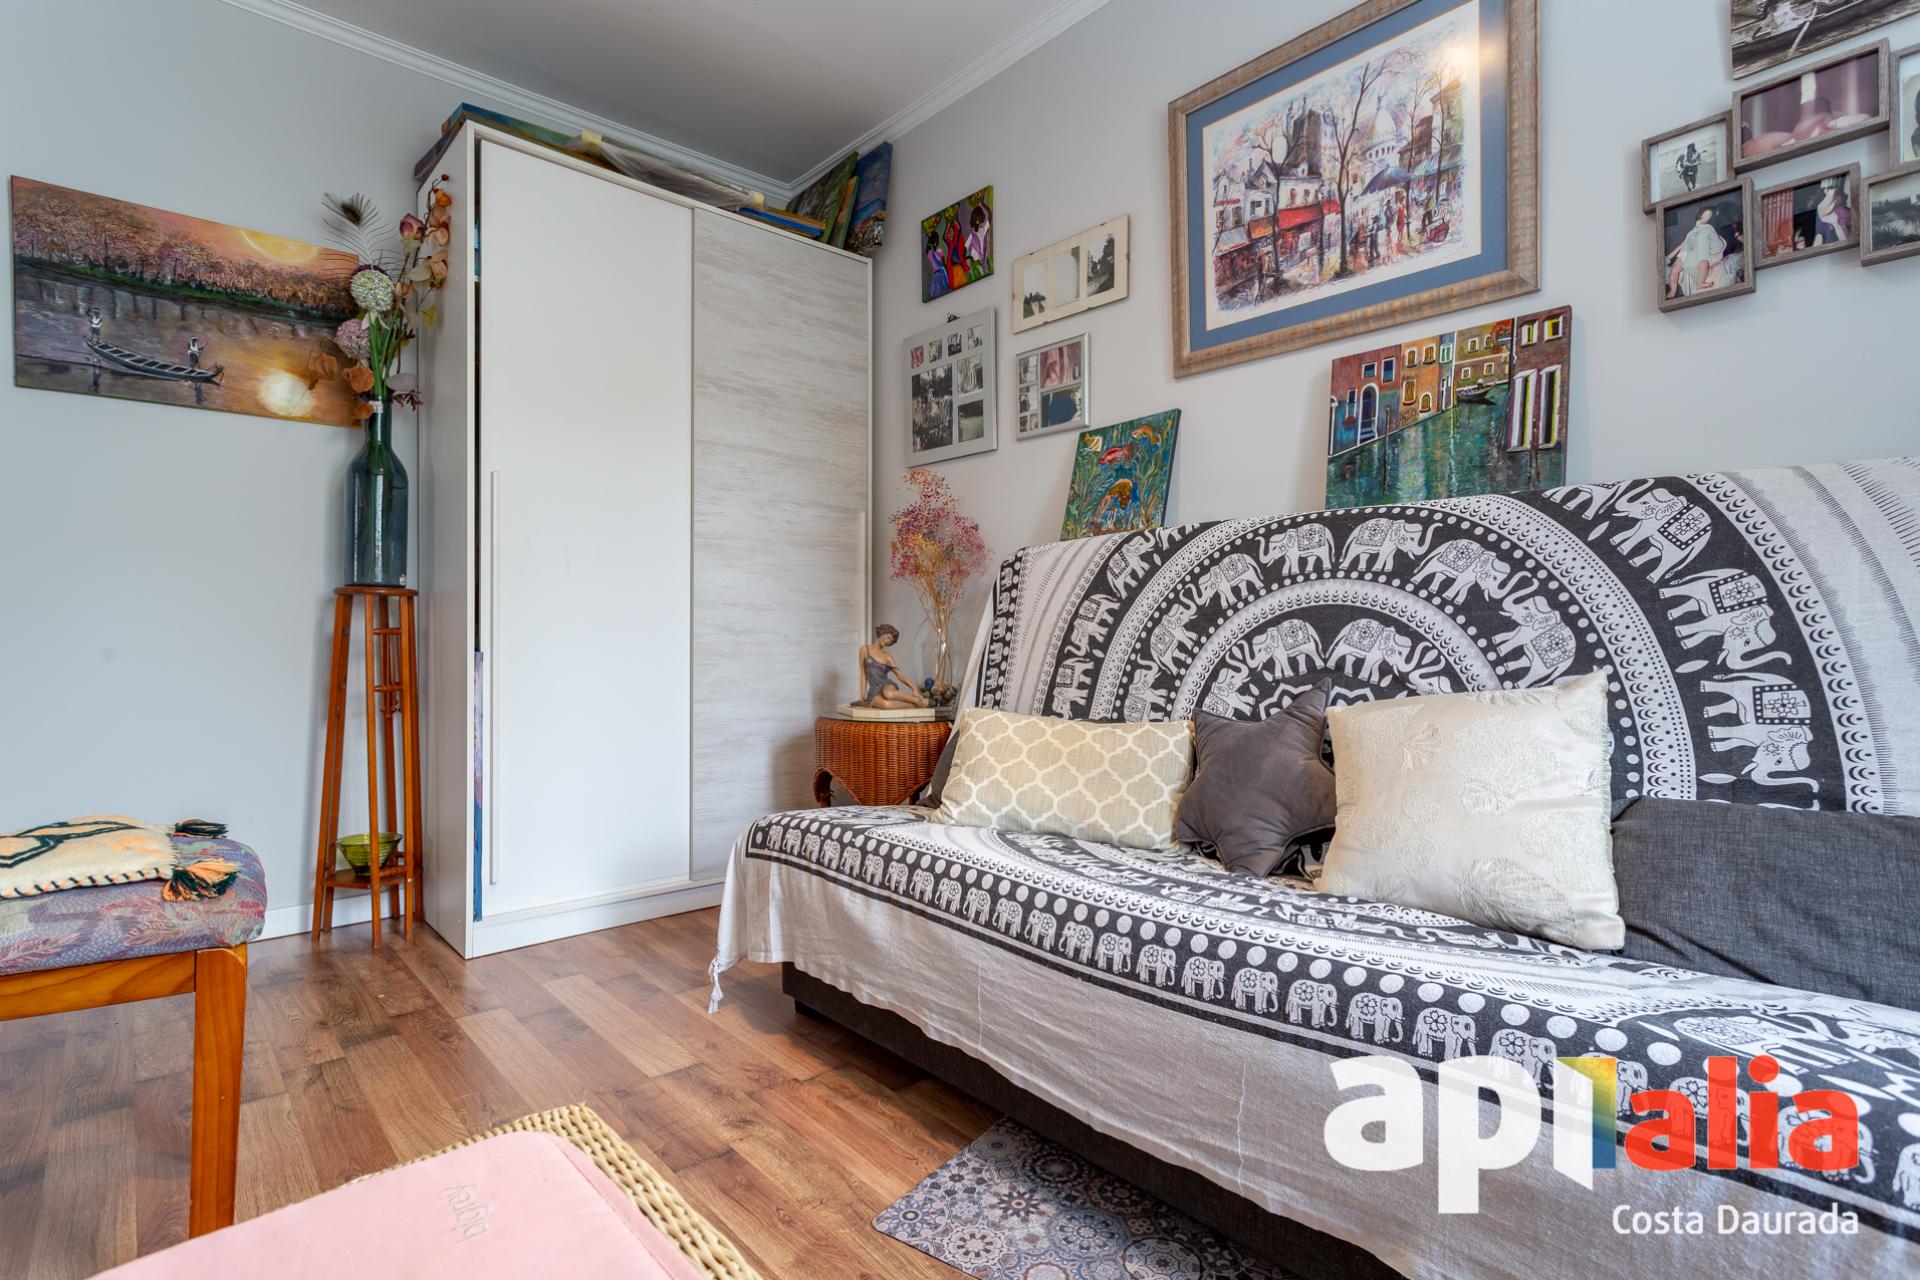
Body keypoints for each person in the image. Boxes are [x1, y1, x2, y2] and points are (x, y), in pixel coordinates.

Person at [857, 624, 927, 710]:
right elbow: (863, 675)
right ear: (882, 632)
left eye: (890, 641)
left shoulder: (887, 657)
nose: (888, 641)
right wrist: (861, 697)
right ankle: (916, 704)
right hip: (874, 690)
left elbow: (900, 675)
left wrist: (914, 689)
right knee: (885, 705)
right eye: (888, 637)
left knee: (888, 694)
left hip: (887, 685)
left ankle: (915, 700)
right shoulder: (864, 649)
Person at [1666, 205, 1725, 298]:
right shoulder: (1692, 232)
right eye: (1705, 214)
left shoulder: (1709, 229)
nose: (1705, 217)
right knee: (1675, 268)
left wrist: (1710, 248)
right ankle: (1672, 291)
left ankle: (1700, 283)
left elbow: (1717, 244)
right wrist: (1674, 256)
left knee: (1703, 264)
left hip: (1700, 254)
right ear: (1700, 214)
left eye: (1708, 216)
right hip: (1687, 253)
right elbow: (1684, 244)